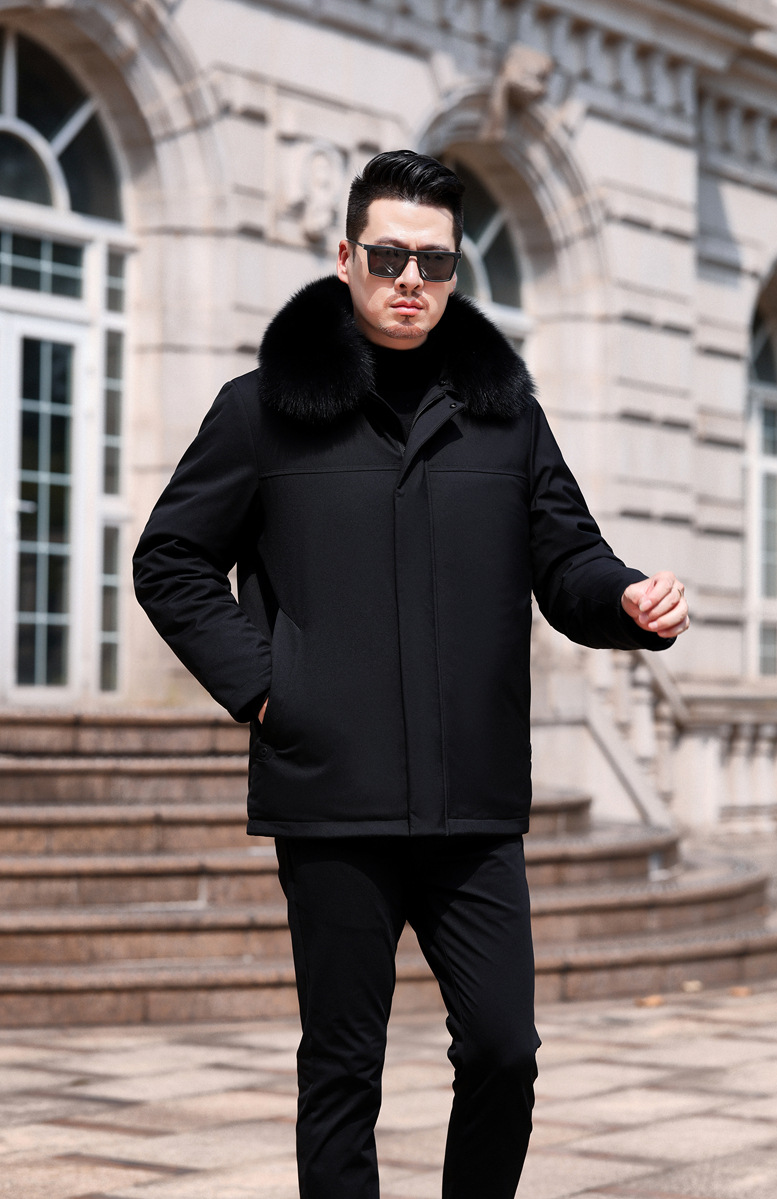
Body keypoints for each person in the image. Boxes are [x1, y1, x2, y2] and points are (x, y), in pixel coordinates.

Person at [133, 150, 690, 1199]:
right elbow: (170, 558)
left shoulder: (506, 417)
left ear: (453, 271)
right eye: (387, 256)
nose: (408, 279)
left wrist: (622, 598)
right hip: (331, 793)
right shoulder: (258, 411)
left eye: (432, 262)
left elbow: (567, 556)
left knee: (504, 1048)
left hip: (473, 801)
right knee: (343, 1066)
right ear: (345, 257)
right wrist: (270, 686)